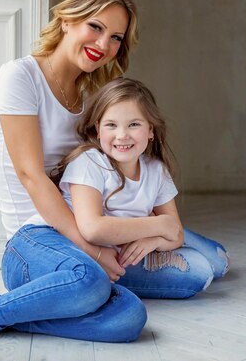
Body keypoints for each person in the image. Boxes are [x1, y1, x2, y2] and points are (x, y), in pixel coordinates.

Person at [0, 0, 224, 350]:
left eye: (115, 37)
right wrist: (94, 250)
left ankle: (57, 294)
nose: (103, 44)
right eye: (95, 27)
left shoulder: (88, 93)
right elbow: (31, 176)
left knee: (214, 261)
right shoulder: (20, 76)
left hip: (91, 218)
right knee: (134, 306)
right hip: (39, 234)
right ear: (67, 20)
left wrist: (149, 228)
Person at [54, 78, 229, 300]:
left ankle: (191, 248)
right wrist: (160, 224)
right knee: (201, 272)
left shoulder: (156, 168)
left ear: (151, 130)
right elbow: (93, 229)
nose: (122, 135)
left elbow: (175, 232)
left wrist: (155, 239)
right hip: (111, 256)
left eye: (134, 124)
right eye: (111, 125)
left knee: (219, 263)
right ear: (98, 129)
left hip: (145, 237)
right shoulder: (89, 163)